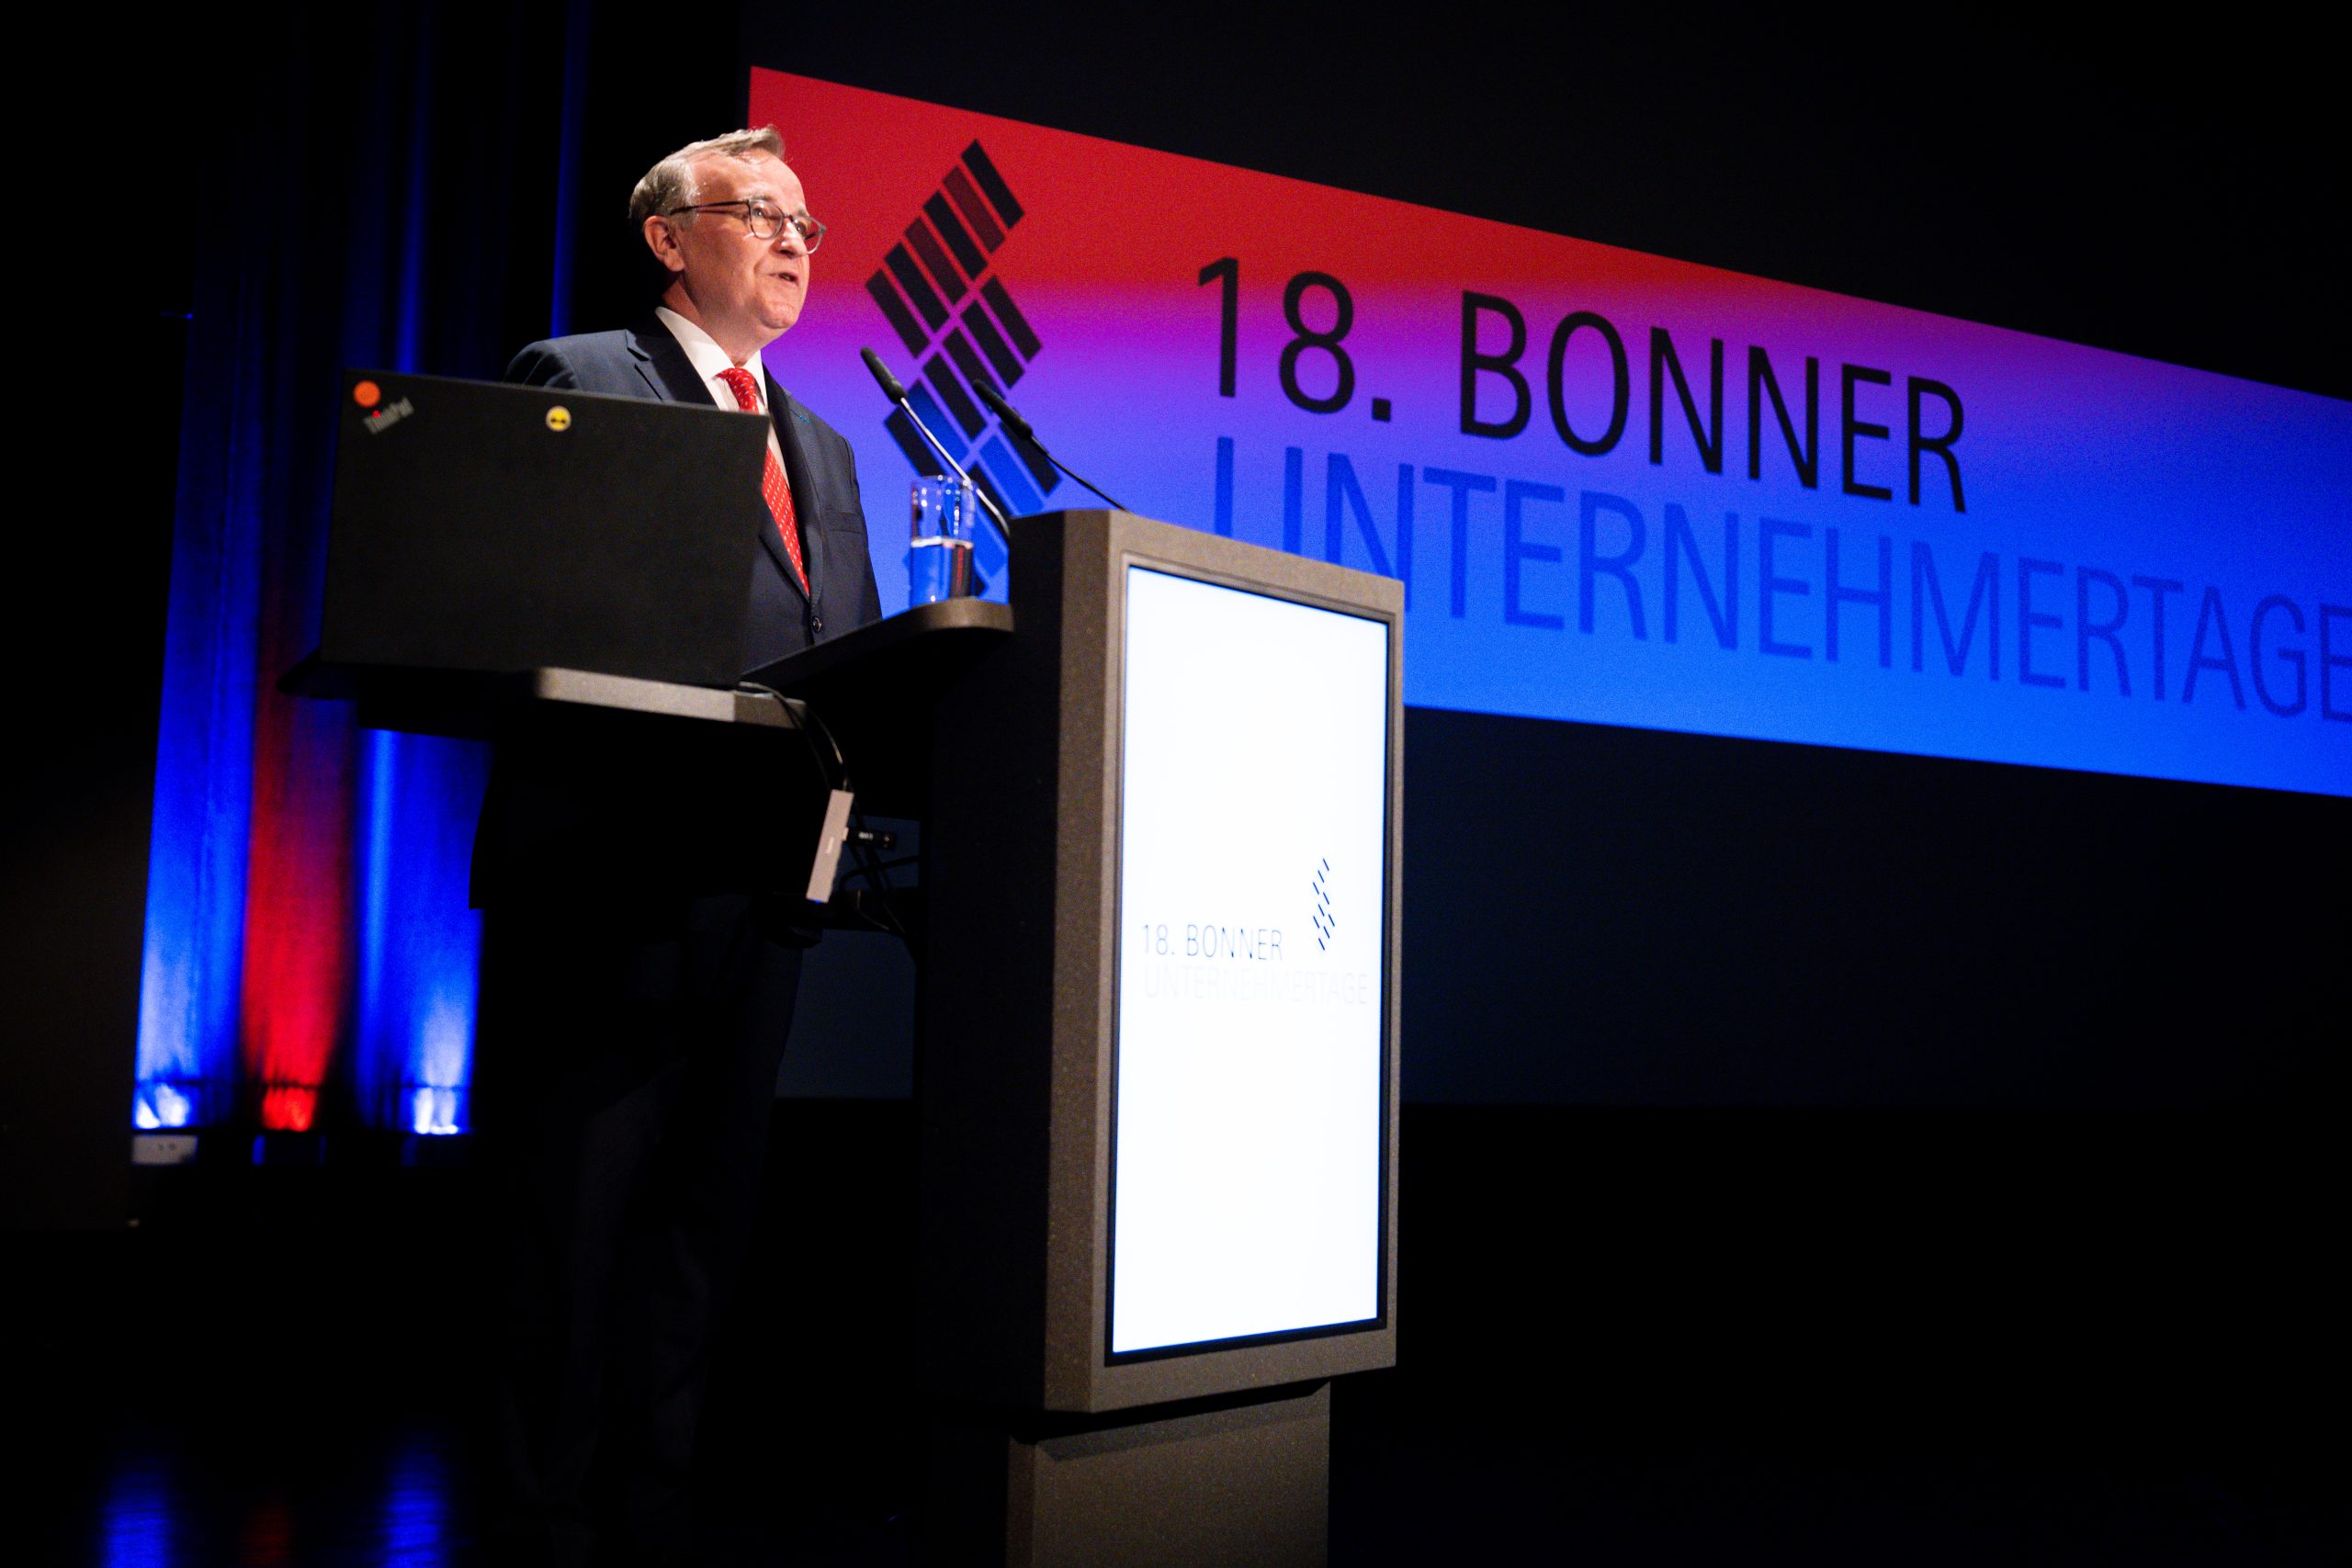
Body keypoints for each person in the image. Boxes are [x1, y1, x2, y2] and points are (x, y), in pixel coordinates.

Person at [470, 127, 882, 1568]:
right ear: (669, 238)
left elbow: (840, 650)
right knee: (573, 1211)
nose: (794, 243)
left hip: (764, 882)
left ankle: (655, 1501)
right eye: (762, 214)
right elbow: (528, 598)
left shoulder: (823, 443)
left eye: (807, 225)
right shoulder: (582, 376)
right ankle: (542, 1511)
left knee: (707, 1215)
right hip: (615, 871)